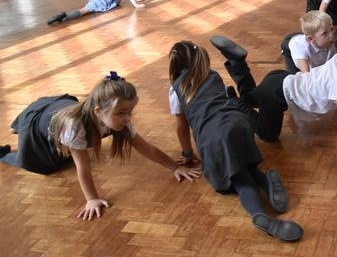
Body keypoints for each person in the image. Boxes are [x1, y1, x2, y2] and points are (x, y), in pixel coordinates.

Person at [0, 73, 201, 221]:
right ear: (98, 111)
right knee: (42, 165)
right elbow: (82, 167)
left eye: (130, 111)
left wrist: (175, 167)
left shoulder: (114, 118)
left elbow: (145, 147)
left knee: (68, 152)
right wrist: (91, 199)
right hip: (39, 130)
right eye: (121, 113)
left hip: (57, 113)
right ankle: (5, 152)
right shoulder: (75, 126)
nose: (127, 118)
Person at [168, 40, 304, 242]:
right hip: (238, 123)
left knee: (239, 178)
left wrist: (187, 153)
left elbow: (182, 127)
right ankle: (266, 182)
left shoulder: (176, 89)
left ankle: (262, 215)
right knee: (246, 165)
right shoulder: (211, 75)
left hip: (213, 136)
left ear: (174, 64)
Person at [207, 25, 337, 157]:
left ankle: (237, 62)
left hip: (281, 79)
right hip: (277, 93)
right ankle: (235, 102)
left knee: (251, 98)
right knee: (267, 135)